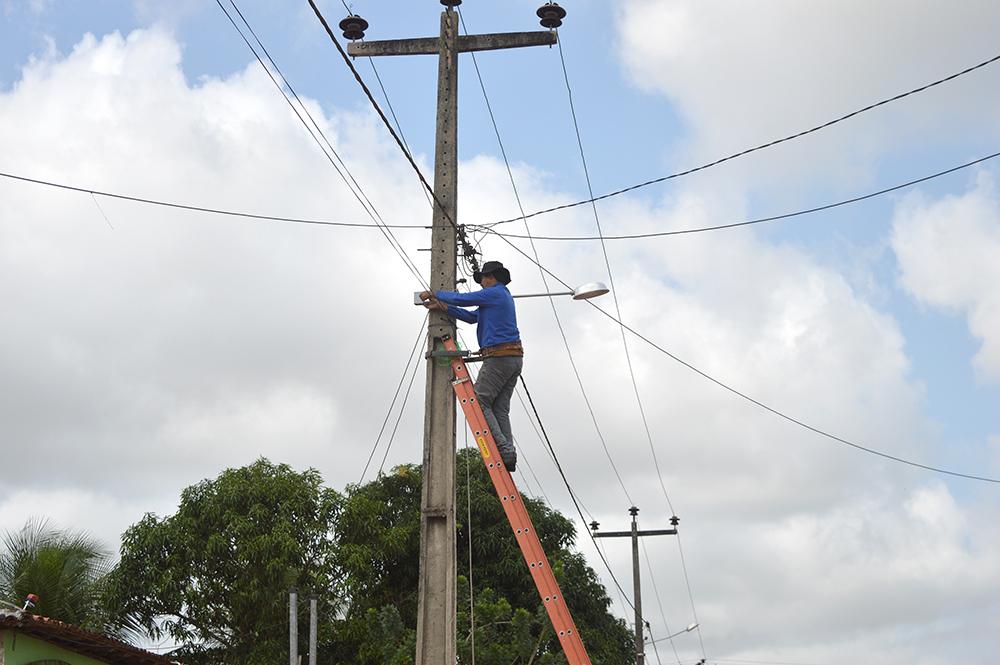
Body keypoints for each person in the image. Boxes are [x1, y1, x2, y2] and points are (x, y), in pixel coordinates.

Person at [420, 261, 522, 472]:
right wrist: (444, 307)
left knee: (480, 401)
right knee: (500, 408)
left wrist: (434, 293)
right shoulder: (500, 297)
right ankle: (508, 453)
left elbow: (463, 299)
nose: (482, 283)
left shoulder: (495, 292)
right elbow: (472, 317)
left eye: (483, 278)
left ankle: (504, 448)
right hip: (513, 358)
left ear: (490, 277)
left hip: (499, 357)